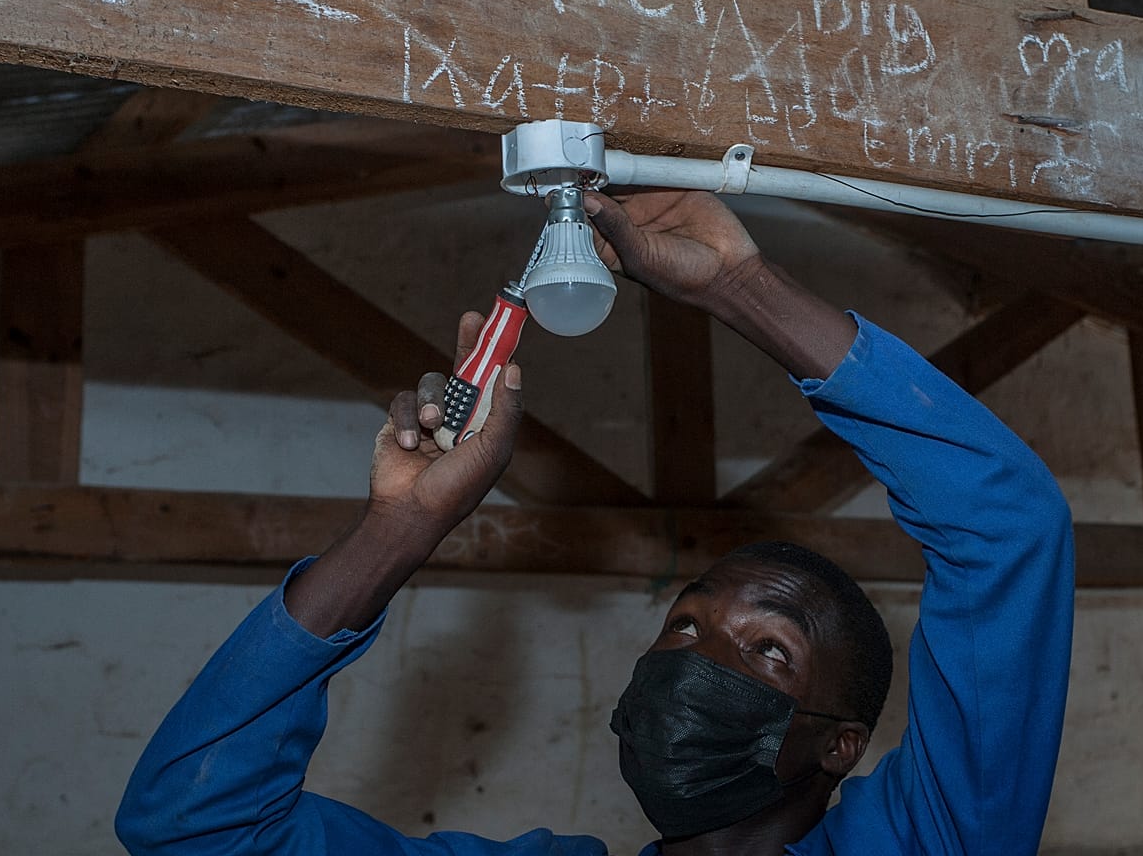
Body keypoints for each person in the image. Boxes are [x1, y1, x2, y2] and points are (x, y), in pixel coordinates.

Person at [115, 189, 1075, 856]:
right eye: (684, 625)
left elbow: (1007, 525)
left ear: (841, 746)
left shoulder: (923, 846)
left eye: (771, 652)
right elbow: (191, 827)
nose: (698, 660)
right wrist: (393, 536)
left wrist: (742, 289)